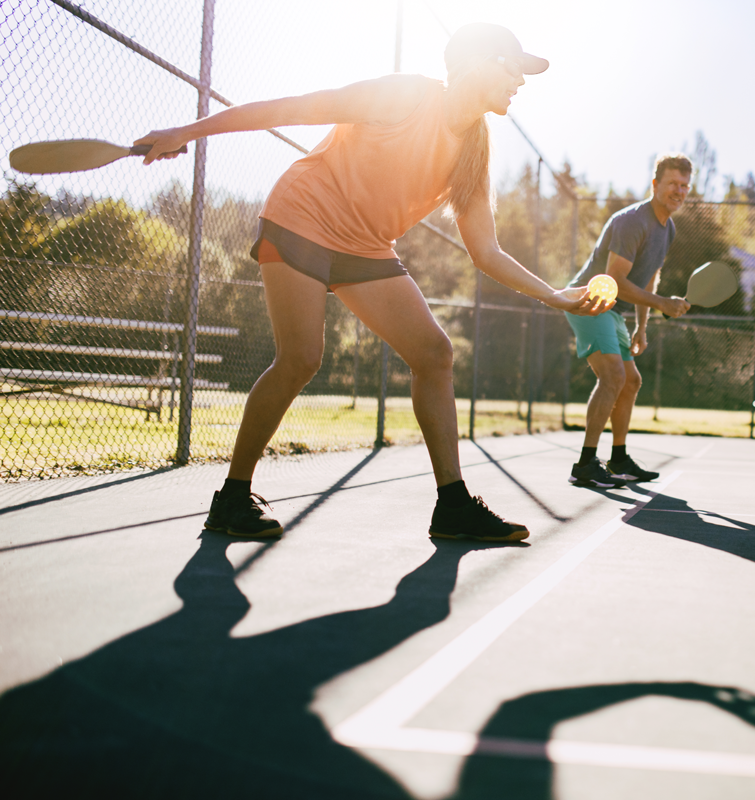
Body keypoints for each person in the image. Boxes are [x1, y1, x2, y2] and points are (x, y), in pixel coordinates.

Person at [136, 23, 611, 543]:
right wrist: (187, 131)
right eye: (514, 68)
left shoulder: (474, 149)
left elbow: (487, 252)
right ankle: (231, 497)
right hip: (304, 214)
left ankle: (452, 506)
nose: (521, 81)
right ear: (480, 63)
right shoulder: (408, 95)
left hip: (363, 244)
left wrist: (555, 295)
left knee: (434, 353)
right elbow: (293, 107)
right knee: (301, 358)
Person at [563, 155, 692, 488]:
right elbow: (615, 280)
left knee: (631, 382)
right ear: (655, 185)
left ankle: (618, 459)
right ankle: (586, 464)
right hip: (588, 302)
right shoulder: (633, 221)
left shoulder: (668, 228)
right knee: (613, 376)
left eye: (683, 186)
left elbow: (648, 278)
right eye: (672, 184)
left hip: (613, 310)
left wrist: (642, 325)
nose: (678, 191)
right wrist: (663, 304)